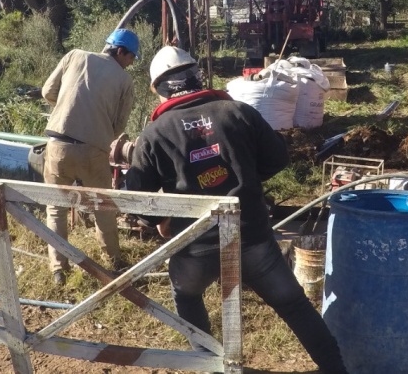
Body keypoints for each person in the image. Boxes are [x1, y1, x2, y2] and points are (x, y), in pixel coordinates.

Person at [124, 46, 349, 374]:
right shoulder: (238, 112)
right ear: (197, 77)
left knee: (187, 295)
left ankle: (208, 363)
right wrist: (246, 178)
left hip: (195, 247)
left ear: (159, 88)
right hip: (252, 239)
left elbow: (137, 200)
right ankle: (336, 369)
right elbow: (278, 158)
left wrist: (160, 218)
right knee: (294, 305)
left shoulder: (153, 134)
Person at [42, 28, 138, 285]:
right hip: (94, 151)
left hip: (58, 144)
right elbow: (118, 126)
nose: (131, 63)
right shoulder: (124, 80)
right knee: (102, 207)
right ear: (121, 51)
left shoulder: (74, 55)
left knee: (56, 209)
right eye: (131, 57)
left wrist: (69, 108)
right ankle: (113, 263)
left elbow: (48, 92)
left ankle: (58, 270)